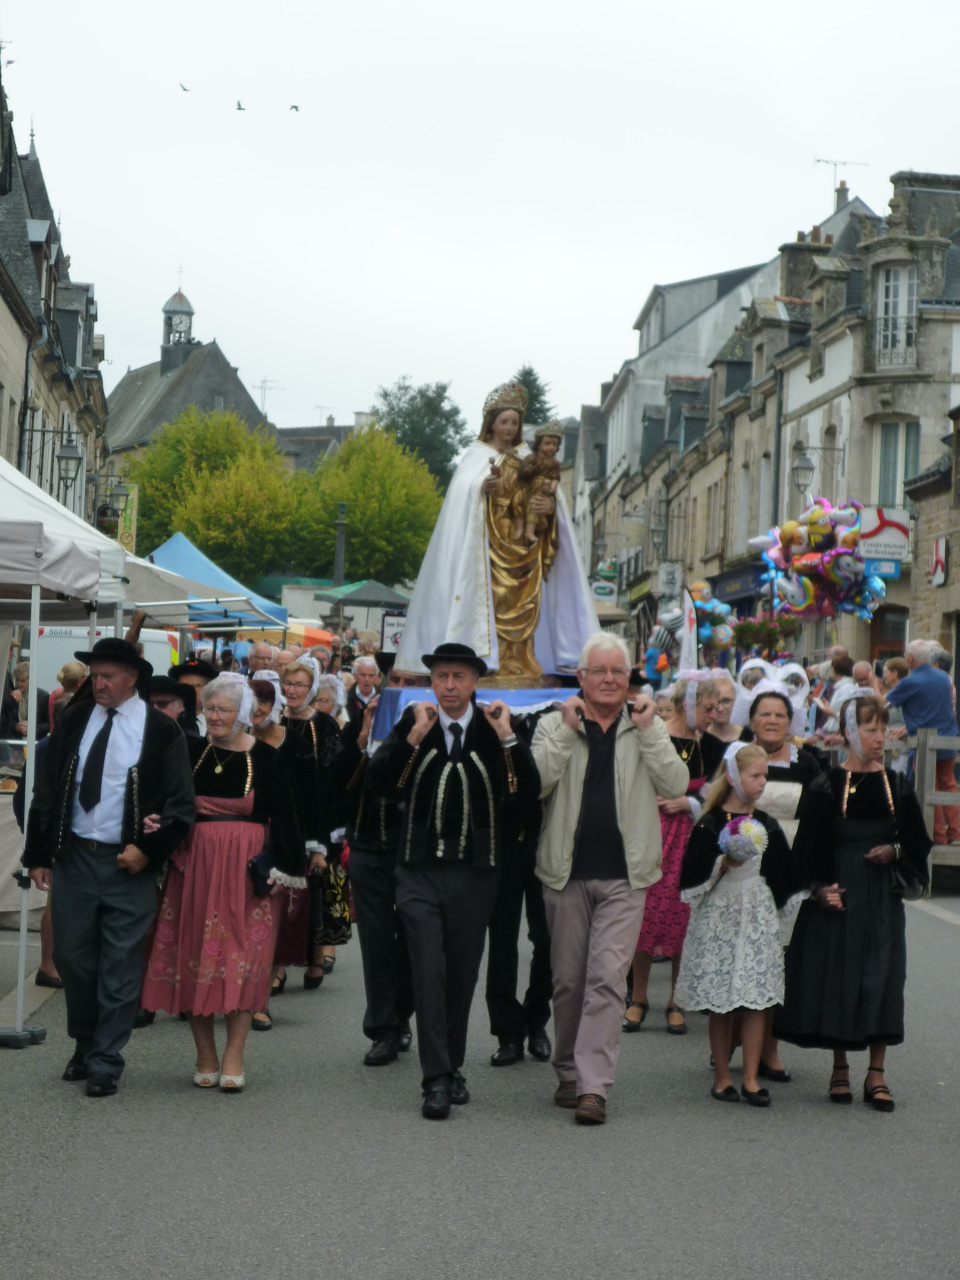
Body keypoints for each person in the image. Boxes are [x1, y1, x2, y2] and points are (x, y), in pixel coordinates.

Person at [367, 643, 539, 1120]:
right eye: (441, 676)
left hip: (475, 873)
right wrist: (412, 738)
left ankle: (452, 1067)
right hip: (417, 870)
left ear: (474, 682)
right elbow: (379, 782)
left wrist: (509, 738)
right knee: (428, 969)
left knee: (461, 974)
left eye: (458, 677)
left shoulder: (495, 728)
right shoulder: (414, 723)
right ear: (431, 681)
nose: (449, 686)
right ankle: (436, 1080)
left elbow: (525, 793)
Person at [23, 638, 195, 1097]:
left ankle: (106, 1059)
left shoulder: (161, 731)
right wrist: (39, 854)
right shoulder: (76, 717)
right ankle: (84, 1043)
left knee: (119, 964)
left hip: (128, 864)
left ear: (132, 678)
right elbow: (47, 788)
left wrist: (149, 850)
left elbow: (181, 806)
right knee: (72, 958)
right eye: (94, 675)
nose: (97, 684)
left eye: (107, 677)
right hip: (76, 855)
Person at [532, 633, 688, 1125]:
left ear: (629, 678)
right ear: (580, 678)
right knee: (569, 982)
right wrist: (565, 731)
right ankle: (568, 1072)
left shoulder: (645, 725)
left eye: (617, 672)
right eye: (598, 671)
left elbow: (676, 785)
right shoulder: (553, 723)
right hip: (564, 873)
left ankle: (593, 1087)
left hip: (627, 874)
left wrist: (651, 732)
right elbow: (536, 782)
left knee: (606, 980)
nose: (608, 680)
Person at [141, 674, 304, 1090]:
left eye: (224, 710)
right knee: (192, 956)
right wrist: (156, 824)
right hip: (194, 867)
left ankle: (234, 1053)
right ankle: (205, 1054)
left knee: (244, 960)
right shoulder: (189, 750)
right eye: (210, 709)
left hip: (246, 872)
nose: (214, 717)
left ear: (243, 714)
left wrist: (285, 873)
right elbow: (167, 801)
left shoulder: (267, 758)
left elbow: (287, 818)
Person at [775, 694, 932, 1111]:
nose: (880, 738)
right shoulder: (827, 785)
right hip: (840, 890)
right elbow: (806, 847)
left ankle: (876, 1073)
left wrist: (894, 851)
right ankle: (840, 1067)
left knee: (883, 973)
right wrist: (819, 888)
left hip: (879, 894)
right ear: (848, 733)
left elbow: (918, 840)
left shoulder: (897, 785)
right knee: (839, 975)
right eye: (870, 729)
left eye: (883, 729)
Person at [396, 382, 597, 679]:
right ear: (491, 423)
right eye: (504, 421)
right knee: (494, 602)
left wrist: (549, 506)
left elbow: (551, 496)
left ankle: (523, 660)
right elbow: (462, 493)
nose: (510, 428)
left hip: (524, 550)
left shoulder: (527, 456)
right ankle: (488, 661)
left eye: (515, 422)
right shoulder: (476, 456)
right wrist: (481, 487)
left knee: (526, 605)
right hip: (487, 549)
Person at [676, 743, 804, 1106]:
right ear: (734, 777)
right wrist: (722, 862)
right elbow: (692, 872)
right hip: (721, 912)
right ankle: (721, 1077)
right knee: (723, 1002)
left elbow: (785, 872)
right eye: (756, 775)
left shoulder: (766, 823)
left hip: (756, 912)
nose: (763, 782)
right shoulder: (711, 821)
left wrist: (799, 898)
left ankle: (749, 1077)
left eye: (765, 775)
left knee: (756, 999)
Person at [625, 673, 722, 1035]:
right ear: (687, 704)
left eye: (717, 707)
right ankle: (638, 997)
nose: (714, 714)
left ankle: (677, 999)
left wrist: (691, 801)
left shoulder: (712, 746)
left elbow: (720, 793)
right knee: (647, 911)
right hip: (652, 830)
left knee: (685, 915)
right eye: (709, 707)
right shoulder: (656, 734)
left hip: (692, 836)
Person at [742, 682, 822, 1081]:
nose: (771, 720)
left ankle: (768, 1047)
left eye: (779, 714)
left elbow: (819, 819)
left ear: (791, 722)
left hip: (788, 866)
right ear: (751, 719)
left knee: (778, 960)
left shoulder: (807, 764)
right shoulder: (735, 756)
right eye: (764, 713)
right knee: (740, 954)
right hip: (741, 866)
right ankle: (728, 1041)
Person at [484, 699, 553, 1068]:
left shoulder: (553, 715)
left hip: (547, 844)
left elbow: (535, 784)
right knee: (503, 940)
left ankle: (536, 1018)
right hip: (503, 849)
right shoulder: (486, 720)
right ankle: (507, 1032)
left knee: (547, 938)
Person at [279, 657, 344, 988]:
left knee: (317, 889)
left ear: (311, 690)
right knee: (280, 889)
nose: (292, 690)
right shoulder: (273, 720)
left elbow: (333, 779)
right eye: (288, 684)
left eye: (299, 685)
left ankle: (317, 957)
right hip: (281, 815)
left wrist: (328, 831)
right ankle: (277, 965)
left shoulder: (324, 725)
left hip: (317, 814)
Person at [885, 639, 960, 845]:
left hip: (925, 743)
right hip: (948, 737)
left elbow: (885, 705)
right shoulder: (944, 678)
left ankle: (938, 836)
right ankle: (956, 833)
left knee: (929, 789)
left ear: (910, 658)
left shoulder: (910, 682)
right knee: (948, 785)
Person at [511, 422, 562, 545]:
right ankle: (519, 527)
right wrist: (528, 470)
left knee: (534, 506)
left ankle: (529, 531)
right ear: (539, 445)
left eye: (554, 444)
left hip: (542, 490)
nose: (551, 447)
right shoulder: (533, 458)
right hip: (528, 488)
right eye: (547, 443)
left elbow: (555, 477)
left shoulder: (554, 463)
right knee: (516, 501)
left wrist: (552, 488)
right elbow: (523, 472)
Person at [1, 659, 51, 740]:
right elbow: (3, 719)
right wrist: (15, 726)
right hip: (13, 741)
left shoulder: (43, 696)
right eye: (17, 680)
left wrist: (32, 728)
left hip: (34, 742)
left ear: (31, 680)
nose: (19, 684)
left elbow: (48, 724)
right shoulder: (10, 696)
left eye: (23, 681)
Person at [881, 658, 910, 775]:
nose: (884, 676)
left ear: (894, 674)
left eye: (886, 672)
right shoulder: (897, 690)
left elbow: (882, 704)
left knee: (899, 778)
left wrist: (873, 684)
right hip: (893, 743)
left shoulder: (902, 690)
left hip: (902, 745)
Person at [704, 671, 741, 746]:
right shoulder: (700, 739)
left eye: (726, 701)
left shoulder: (748, 736)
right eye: (716, 702)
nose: (720, 709)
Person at [346, 655, 380, 724]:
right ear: (355, 676)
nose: (367, 679)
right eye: (363, 675)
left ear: (376, 677)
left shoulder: (382, 698)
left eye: (371, 676)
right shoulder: (345, 698)